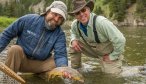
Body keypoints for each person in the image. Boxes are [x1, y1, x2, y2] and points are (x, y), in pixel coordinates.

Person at [0, 1, 71, 78]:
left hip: (40, 65)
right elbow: (6, 35)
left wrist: (64, 68)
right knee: (14, 49)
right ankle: (8, 79)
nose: (56, 19)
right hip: (21, 62)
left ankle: (40, 77)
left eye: (60, 17)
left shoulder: (60, 34)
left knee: (57, 63)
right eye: (55, 14)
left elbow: (61, 54)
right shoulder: (28, 19)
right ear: (47, 12)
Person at [68, 0, 126, 74]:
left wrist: (112, 56)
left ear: (89, 10)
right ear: (75, 16)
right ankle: (76, 69)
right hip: (93, 50)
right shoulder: (75, 24)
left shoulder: (101, 22)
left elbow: (120, 40)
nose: (81, 14)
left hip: (108, 53)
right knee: (73, 44)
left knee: (112, 77)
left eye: (83, 10)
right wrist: (73, 40)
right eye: (77, 13)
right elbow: (73, 33)